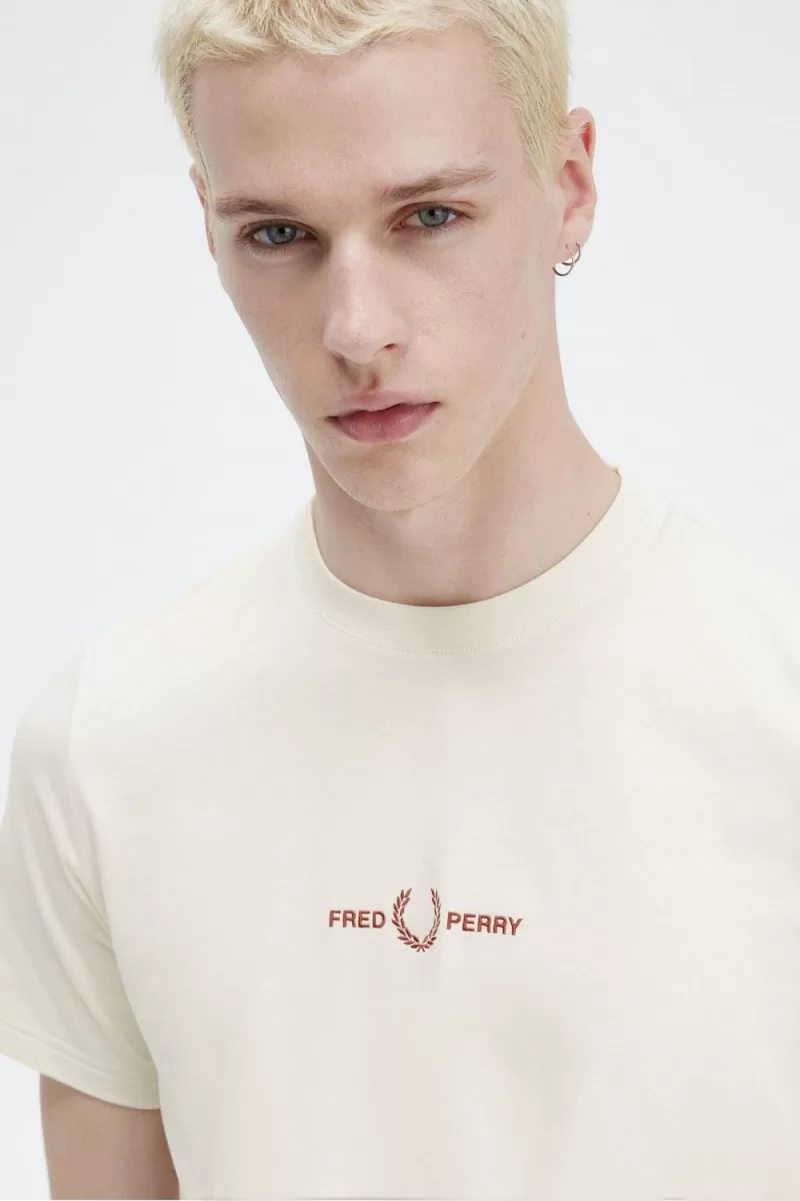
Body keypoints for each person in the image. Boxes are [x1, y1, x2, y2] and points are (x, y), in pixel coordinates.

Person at [1, 0, 799, 1197]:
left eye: (429, 216)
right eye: (278, 234)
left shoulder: (772, 708)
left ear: (569, 184)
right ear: (209, 229)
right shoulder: (107, 746)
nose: (355, 328)